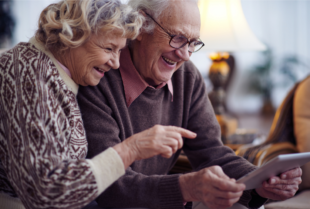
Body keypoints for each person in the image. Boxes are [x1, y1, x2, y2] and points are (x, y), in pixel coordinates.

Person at [77, 0, 302, 209]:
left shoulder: (186, 76)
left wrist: (262, 180)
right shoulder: (99, 74)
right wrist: (184, 187)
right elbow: (108, 185)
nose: (184, 55)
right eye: (177, 38)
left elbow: (211, 152)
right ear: (141, 25)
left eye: (193, 43)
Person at [0, 0, 197, 209]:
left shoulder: (63, 75)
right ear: (73, 36)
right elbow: (45, 192)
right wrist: (131, 149)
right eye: (109, 48)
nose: (115, 63)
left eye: (119, 50)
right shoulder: (29, 73)